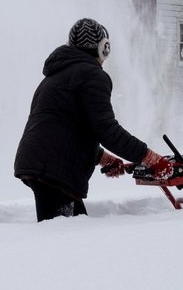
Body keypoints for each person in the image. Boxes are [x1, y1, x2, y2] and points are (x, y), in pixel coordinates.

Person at [14, 18, 173, 221]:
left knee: (72, 227)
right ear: (102, 48)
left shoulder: (53, 77)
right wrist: (150, 158)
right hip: (53, 169)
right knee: (61, 237)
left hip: (40, 163)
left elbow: (66, 128)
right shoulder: (93, 75)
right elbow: (106, 129)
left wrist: (102, 157)